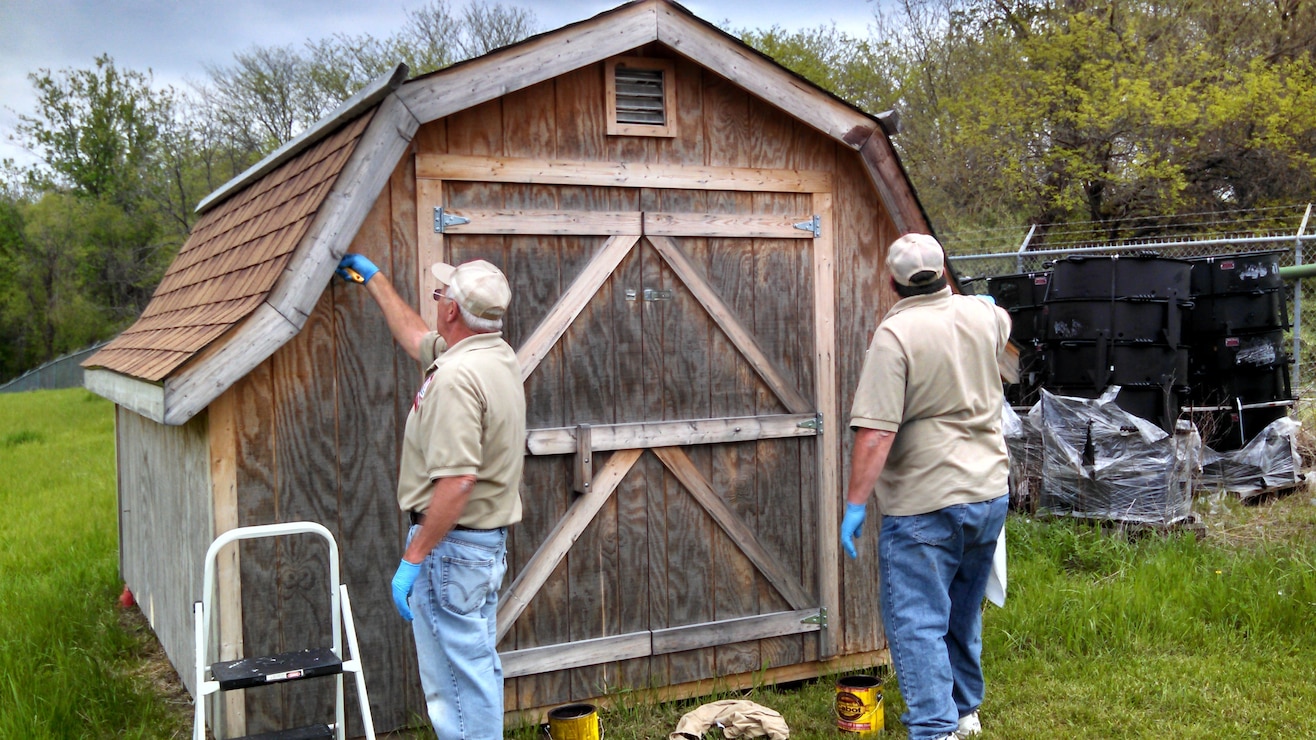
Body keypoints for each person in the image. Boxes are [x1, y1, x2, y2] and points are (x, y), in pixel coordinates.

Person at [337, 252, 525, 740]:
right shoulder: (493, 357)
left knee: (454, 693)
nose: (437, 298)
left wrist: (414, 557)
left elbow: (458, 480)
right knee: (475, 672)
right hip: (480, 549)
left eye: (442, 294)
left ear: (452, 312)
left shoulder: (457, 380)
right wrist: (374, 280)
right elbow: (417, 337)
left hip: (452, 551)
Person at [839, 233, 1011, 740]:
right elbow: (1003, 322)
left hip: (925, 503)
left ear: (891, 282)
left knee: (916, 620)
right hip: (987, 493)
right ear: (944, 273)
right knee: (961, 608)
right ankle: (963, 711)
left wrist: (855, 505)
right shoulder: (982, 318)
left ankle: (935, 729)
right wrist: (988, 307)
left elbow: (875, 433)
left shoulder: (896, 336)